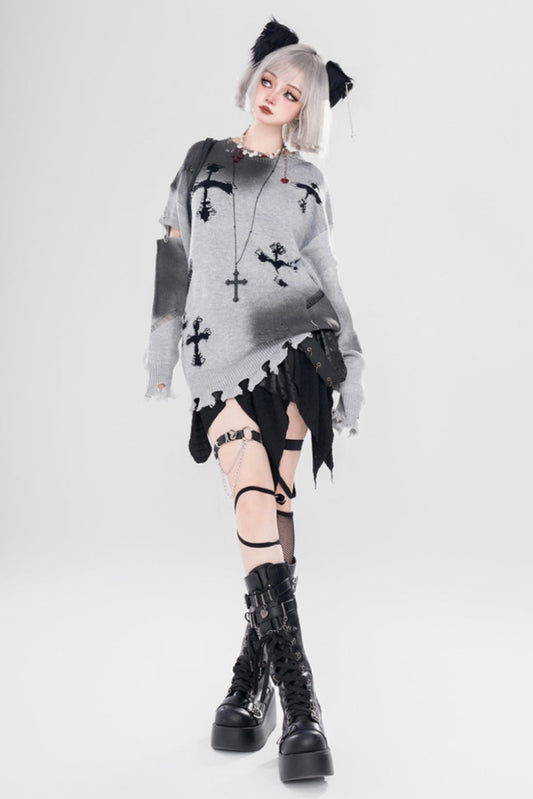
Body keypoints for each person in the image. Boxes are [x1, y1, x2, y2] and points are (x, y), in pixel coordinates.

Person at [143, 17, 365, 782]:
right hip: (218, 361)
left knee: (271, 503)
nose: (272, 96)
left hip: (298, 351)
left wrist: (352, 365)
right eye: (267, 79)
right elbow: (173, 254)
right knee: (249, 496)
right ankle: (300, 699)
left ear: (306, 109)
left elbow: (326, 275)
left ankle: (257, 684)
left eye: (290, 92)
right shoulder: (200, 161)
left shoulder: (307, 182)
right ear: (252, 78)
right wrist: (161, 353)